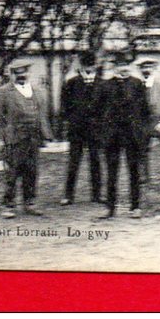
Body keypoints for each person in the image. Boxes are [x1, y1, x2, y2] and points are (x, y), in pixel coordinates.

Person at [0, 60, 54, 218]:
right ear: (12, 75)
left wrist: (46, 135)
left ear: (28, 73)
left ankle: (30, 203)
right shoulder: (4, 92)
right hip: (14, 138)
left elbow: (42, 115)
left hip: (33, 138)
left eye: (24, 73)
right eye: (17, 74)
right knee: (12, 172)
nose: (21, 76)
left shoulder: (37, 91)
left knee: (32, 172)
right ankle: (8, 205)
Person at [97, 50, 151, 219]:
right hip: (112, 135)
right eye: (120, 66)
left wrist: (142, 132)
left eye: (127, 65)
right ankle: (110, 208)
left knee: (134, 171)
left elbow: (145, 111)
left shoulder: (137, 84)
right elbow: (97, 112)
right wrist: (102, 132)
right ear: (115, 68)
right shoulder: (105, 85)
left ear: (130, 67)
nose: (124, 69)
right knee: (112, 172)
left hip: (132, 135)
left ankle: (135, 206)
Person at [59, 51, 103, 206]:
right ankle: (68, 195)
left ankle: (97, 195)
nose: (89, 69)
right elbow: (64, 107)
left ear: (96, 66)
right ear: (81, 66)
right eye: (86, 66)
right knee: (74, 161)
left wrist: (101, 124)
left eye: (92, 66)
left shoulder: (101, 83)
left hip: (95, 130)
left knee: (95, 161)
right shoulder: (71, 83)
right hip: (76, 129)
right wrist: (71, 121)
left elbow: (106, 108)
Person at [136, 57, 160, 185]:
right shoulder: (136, 85)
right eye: (143, 67)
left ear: (154, 68)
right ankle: (144, 176)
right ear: (140, 69)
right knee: (141, 149)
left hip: (159, 121)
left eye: (149, 67)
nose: (146, 70)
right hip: (143, 122)